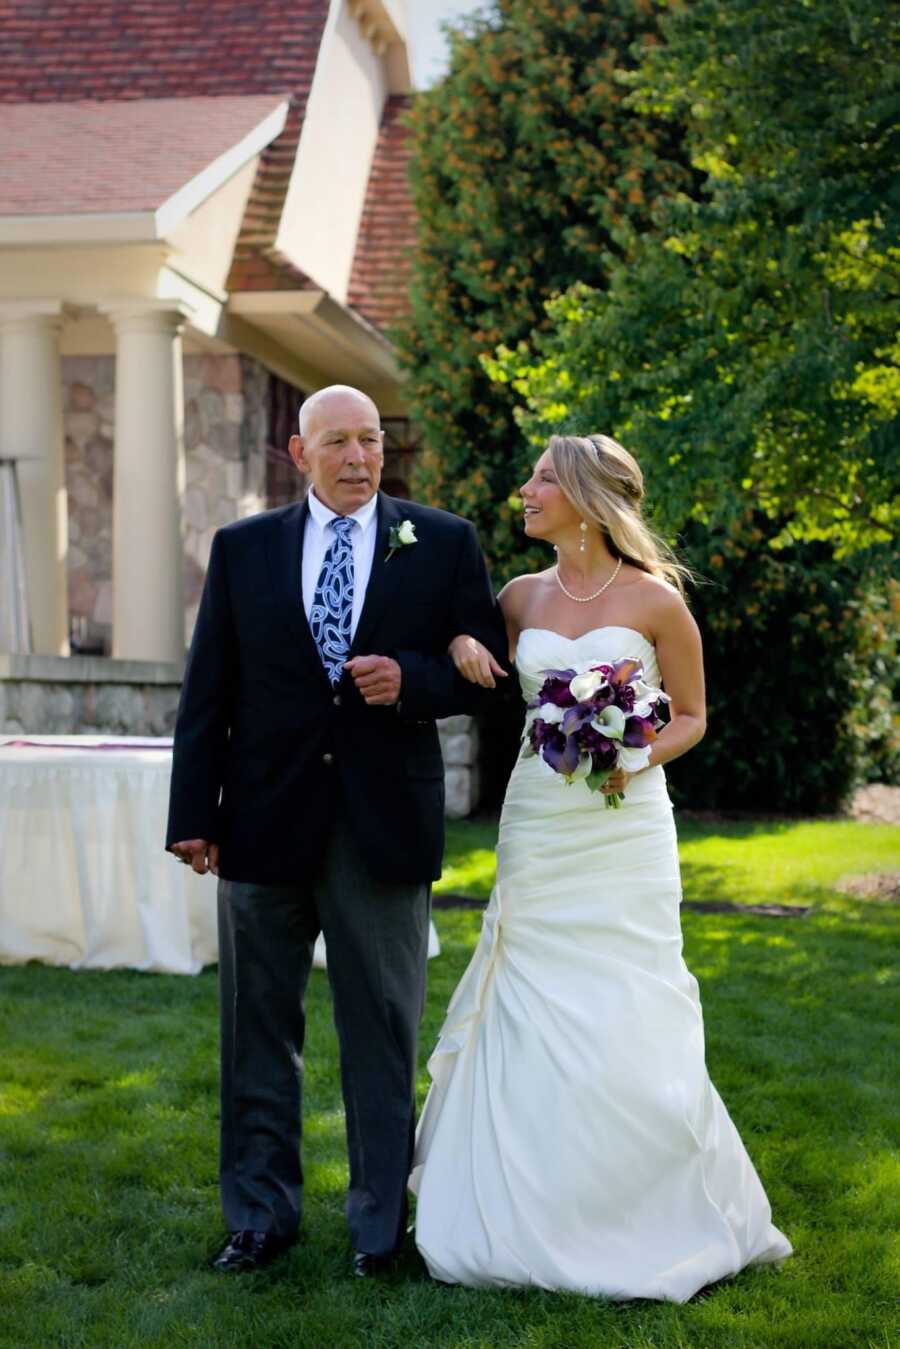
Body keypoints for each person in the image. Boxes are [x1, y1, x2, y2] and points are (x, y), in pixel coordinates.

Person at [410, 433, 792, 1301]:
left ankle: (640, 1204)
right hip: (539, 823)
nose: (525, 490)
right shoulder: (515, 595)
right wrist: (469, 653)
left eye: (542, 479)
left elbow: (692, 715)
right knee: (532, 994)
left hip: (624, 831)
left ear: (586, 497)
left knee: (628, 998)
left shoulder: (656, 601)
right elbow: (462, 659)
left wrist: (637, 752)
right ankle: (518, 1205)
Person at [166, 384, 506, 1277]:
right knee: (256, 1030)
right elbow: (208, 693)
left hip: (381, 824)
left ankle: (377, 1228)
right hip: (263, 824)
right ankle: (260, 1215)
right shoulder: (242, 550)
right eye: (340, 443)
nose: (359, 458)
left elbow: (480, 671)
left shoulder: (443, 541)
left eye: (373, 442)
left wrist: (415, 681)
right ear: (298, 451)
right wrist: (193, 816)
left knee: (382, 1033)